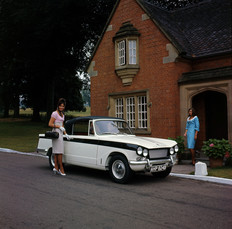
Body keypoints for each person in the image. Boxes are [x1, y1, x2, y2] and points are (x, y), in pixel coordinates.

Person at [48, 98, 70, 176]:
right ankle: (61, 168)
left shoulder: (62, 115)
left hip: (60, 133)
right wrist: (58, 126)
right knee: (59, 152)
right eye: (60, 106)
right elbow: (50, 124)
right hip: (56, 133)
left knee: (58, 152)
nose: (61, 107)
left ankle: (56, 167)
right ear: (58, 106)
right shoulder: (54, 113)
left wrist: (65, 133)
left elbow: (62, 125)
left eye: (63, 106)